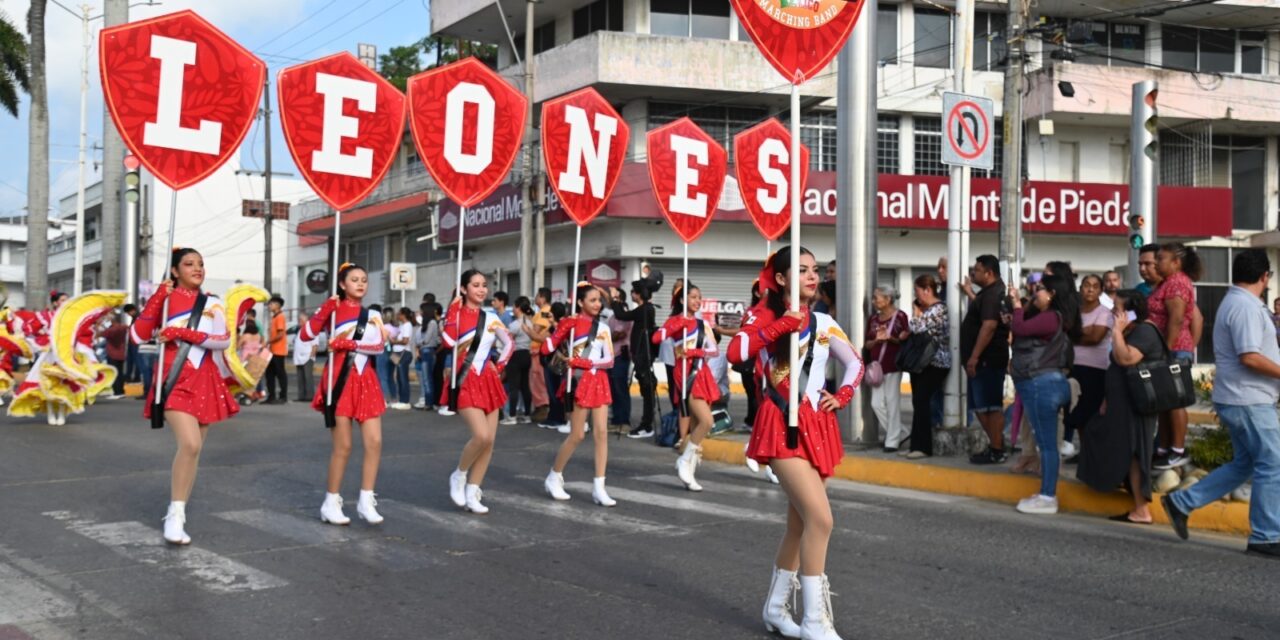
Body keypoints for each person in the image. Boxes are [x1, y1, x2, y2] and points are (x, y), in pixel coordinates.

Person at [728, 246, 863, 640]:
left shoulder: (823, 321)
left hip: (816, 425)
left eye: (815, 270)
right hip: (780, 423)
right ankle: (815, 622)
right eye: (801, 270)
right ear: (782, 279)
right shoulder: (765, 314)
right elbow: (737, 351)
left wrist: (844, 395)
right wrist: (779, 327)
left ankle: (774, 608)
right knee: (821, 519)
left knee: (799, 524)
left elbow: (855, 361)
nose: (812, 276)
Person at [1163, 250, 1280, 559]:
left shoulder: (1240, 303)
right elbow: (1249, 356)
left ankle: (1181, 503)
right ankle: (1266, 536)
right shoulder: (1244, 307)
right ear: (1264, 277)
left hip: (1244, 397)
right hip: (1249, 399)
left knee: (1245, 464)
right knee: (1273, 462)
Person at [130, 248, 239, 545]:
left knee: (194, 451)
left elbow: (224, 340)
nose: (197, 268)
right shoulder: (164, 300)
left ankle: (179, 512)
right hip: (173, 379)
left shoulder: (213, 302)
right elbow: (138, 335)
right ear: (175, 271)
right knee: (189, 444)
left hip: (205, 379)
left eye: (201, 264)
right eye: (189, 264)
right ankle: (174, 515)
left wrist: (184, 334)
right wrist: (157, 297)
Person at [304, 263, 387, 527]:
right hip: (339, 380)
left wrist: (349, 343)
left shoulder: (372, 314)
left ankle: (366, 499)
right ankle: (331, 502)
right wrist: (325, 311)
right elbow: (307, 334)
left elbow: (379, 347)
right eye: (354, 280)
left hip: (366, 381)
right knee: (344, 446)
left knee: (374, 442)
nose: (361, 284)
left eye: (364, 280)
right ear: (343, 284)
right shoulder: (333, 309)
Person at [1078, 290, 1162, 524]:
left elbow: (1125, 359)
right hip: (1120, 401)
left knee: (1136, 452)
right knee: (1104, 437)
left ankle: (1141, 508)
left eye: (1117, 308)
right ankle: (1120, 488)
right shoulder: (1130, 330)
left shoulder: (1144, 331)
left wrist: (1115, 330)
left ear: (1132, 312)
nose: (1113, 312)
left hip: (1136, 405)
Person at [443, 270, 515, 515]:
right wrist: (452, 312)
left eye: (484, 285)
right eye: (475, 285)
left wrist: (500, 365)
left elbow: (510, 344)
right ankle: (459, 474)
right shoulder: (454, 316)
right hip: (464, 380)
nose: (482, 289)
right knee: (481, 436)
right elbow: (448, 343)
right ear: (463, 289)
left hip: (488, 380)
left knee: (490, 442)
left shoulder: (492, 318)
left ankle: (474, 490)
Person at [1009, 273, 1080, 515]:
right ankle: (1046, 493)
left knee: (1047, 446)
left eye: (1040, 289)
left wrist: (1017, 305)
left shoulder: (1050, 318)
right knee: (1048, 444)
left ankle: (1048, 496)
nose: (1036, 292)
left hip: (1042, 385)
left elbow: (1018, 327)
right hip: (1050, 383)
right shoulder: (1052, 317)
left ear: (1051, 294)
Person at [541, 283, 618, 506]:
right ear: (581, 303)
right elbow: (546, 349)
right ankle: (554, 476)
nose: (597, 304)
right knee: (577, 435)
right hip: (578, 381)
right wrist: (559, 330)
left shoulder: (603, 329)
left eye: (598, 300)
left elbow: (610, 360)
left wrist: (585, 361)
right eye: (592, 300)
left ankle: (599, 487)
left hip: (598, 380)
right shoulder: (570, 323)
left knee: (602, 433)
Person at [653, 284, 720, 491]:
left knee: (698, 423)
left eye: (699, 297)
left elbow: (714, 350)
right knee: (707, 421)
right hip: (685, 374)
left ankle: (689, 470)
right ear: (682, 300)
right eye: (692, 297)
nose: (697, 301)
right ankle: (684, 460)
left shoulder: (703, 324)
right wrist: (675, 326)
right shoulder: (675, 321)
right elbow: (656, 338)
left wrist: (695, 353)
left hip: (702, 373)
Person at [1150, 242, 1201, 469]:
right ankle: (1163, 447)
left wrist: (1166, 350)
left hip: (1173, 351)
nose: (1156, 262)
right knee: (1163, 401)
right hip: (1165, 351)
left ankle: (1178, 449)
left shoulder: (1178, 283)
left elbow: (1177, 319)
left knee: (1175, 401)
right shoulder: (1166, 283)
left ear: (1176, 262)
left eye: (1161, 258)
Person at [963, 255, 1011, 465]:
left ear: (989, 273)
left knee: (989, 406)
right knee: (981, 407)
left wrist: (974, 356)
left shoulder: (993, 294)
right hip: (984, 359)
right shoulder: (990, 294)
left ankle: (997, 448)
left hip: (987, 360)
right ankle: (996, 445)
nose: (974, 273)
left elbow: (989, 325)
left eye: (977, 270)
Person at [1062, 274, 1113, 460]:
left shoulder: (1104, 312)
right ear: (1080, 288)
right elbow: (1065, 333)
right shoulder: (1075, 312)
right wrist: (1082, 332)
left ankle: (1095, 454)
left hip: (1096, 370)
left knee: (1092, 414)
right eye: (1086, 285)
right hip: (1074, 367)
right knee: (1078, 415)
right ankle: (1085, 453)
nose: (1090, 289)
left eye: (1095, 286)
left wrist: (1075, 333)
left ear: (1101, 290)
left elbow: (1095, 338)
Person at [906, 275, 949, 459]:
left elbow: (916, 327)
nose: (916, 296)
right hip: (923, 363)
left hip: (935, 362)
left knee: (922, 401)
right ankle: (915, 444)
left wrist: (916, 312)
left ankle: (923, 446)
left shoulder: (938, 309)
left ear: (927, 290)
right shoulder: (930, 310)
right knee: (918, 401)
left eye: (917, 291)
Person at [866, 285, 910, 452]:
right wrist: (877, 340)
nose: (874, 301)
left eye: (877, 298)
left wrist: (890, 338)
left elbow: (904, 341)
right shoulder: (873, 319)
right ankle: (901, 432)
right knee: (876, 404)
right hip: (877, 367)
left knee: (892, 402)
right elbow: (867, 343)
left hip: (893, 365)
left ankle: (892, 440)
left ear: (888, 299)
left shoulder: (900, 317)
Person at [612, 284, 658, 439]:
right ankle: (646, 423)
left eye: (633, 292)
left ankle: (646, 425)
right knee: (646, 388)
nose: (631, 294)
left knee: (647, 387)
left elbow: (621, 315)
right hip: (642, 354)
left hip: (643, 355)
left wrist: (614, 299)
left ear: (639, 294)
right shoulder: (647, 309)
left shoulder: (644, 309)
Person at [502, 296, 535, 424]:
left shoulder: (514, 325)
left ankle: (512, 416)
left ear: (519, 308)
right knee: (525, 386)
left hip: (515, 356)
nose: (513, 309)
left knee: (513, 387)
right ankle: (527, 415)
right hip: (527, 355)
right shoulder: (531, 323)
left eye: (515, 307)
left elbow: (508, 341)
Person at [605, 289, 633, 433]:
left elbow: (618, 334)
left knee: (619, 388)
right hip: (612, 356)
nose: (609, 298)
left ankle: (623, 421)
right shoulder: (613, 316)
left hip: (620, 356)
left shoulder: (623, 314)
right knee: (614, 390)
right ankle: (616, 420)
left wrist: (605, 338)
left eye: (613, 296)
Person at [529, 287, 555, 426]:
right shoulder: (542, 312)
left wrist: (529, 329)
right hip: (538, 350)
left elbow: (537, 331)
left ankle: (543, 407)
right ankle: (542, 407)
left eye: (537, 295)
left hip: (539, 350)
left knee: (538, 380)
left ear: (543, 298)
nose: (536, 298)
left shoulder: (545, 312)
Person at [387, 307, 415, 410]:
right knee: (399, 377)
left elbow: (405, 341)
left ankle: (405, 401)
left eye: (399, 314)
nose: (397, 316)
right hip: (398, 353)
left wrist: (394, 341)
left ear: (403, 315)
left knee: (403, 378)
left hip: (404, 353)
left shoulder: (407, 325)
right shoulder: (402, 325)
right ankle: (401, 399)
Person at [414, 302, 441, 409]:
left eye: (421, 310)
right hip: (424, 351)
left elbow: (427, 339)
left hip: (428, 351)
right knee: (426, 377)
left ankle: (429, 402)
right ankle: (429, 401)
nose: (420, 312)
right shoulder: (427, 323)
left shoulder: (432, 323)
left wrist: (419, 344)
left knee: (427, 378)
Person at [264, 295, 289, 404]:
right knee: (269, 374)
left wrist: (269, 341)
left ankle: (283, 396)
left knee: (280, 374)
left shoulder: (280, 317)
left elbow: (280, 334)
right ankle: (271, 396)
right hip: (272, 350)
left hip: (279, 350)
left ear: (277, 305)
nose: (269, 306)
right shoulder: (274, 317)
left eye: (271, 304)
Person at [103, 311, 129, 398]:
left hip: (112, 353)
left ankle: (117, 392)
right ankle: (121, 391)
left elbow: (103, 334)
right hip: (121, 353)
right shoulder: (123, 327)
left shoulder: (112, 330)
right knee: (120, 373)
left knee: (114, 373)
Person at [293, 312, 318, 402]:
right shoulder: (299, 330)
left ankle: (310, 396)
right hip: (299, 358)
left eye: (300, 319)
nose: (299, 321)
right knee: (300, 377)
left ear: (306, 320)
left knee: (308, 377)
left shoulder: (311, 329)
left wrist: (312, 355)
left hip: (307, 357)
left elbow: (315, 345)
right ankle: (301, 396)